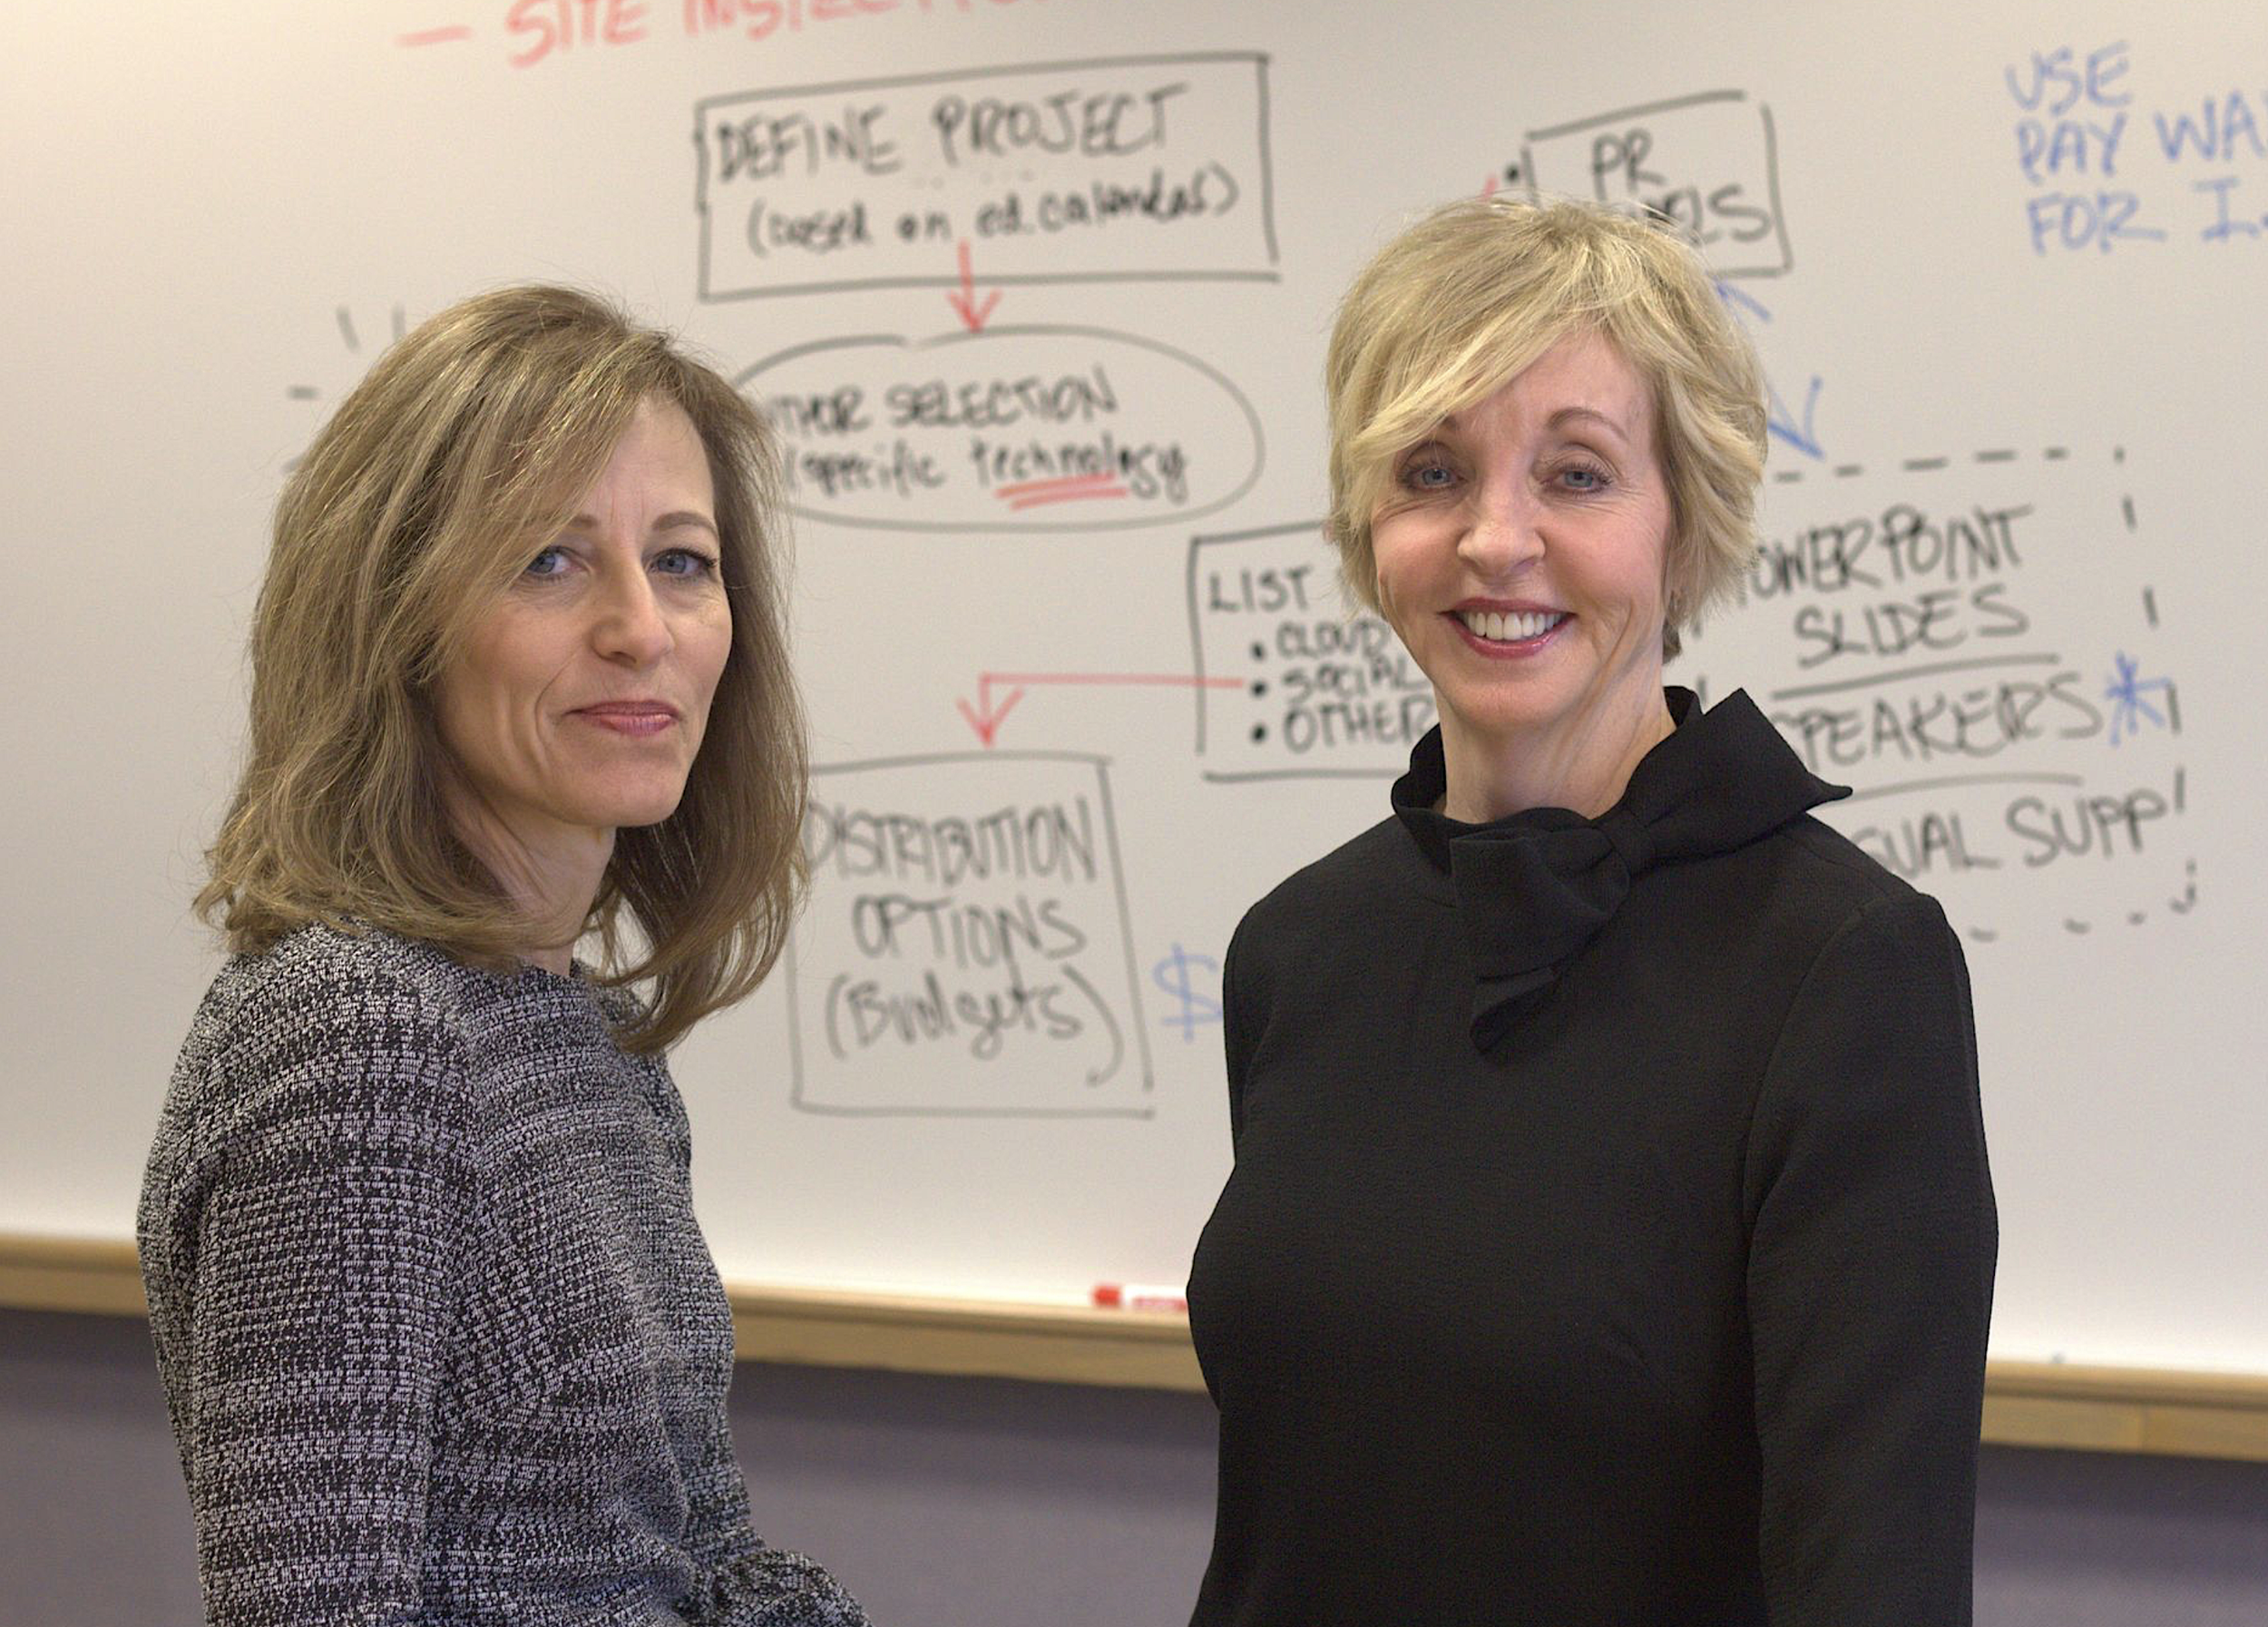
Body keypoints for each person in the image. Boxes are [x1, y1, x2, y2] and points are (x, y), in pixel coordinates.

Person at [1186, 197, 1997, 1624]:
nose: (1497, 539)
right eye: (1432, 472)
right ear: (1370, 526)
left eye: (1578, 475)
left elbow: (1874, 1587)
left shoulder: (1843, 972)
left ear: (1685, 527)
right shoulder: (1299, 950)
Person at [138, 286, 870, 1626]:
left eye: (683, 561)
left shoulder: (583, 1038)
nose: (641, 628)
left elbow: (700, 1555)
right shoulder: (354, 1032)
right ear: (394, 621)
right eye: (549, 559)